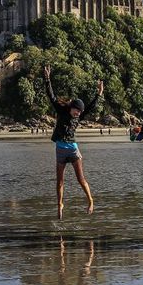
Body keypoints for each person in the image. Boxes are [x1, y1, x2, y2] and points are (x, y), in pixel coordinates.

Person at [43, 65, 102, 219]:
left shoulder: (78, 117)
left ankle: (90, 200)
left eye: (80, 112)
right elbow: (52, 96)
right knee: (60, 181)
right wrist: (47, 79)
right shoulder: (61, 111)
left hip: (73, 149)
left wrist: (99, 94)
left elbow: (90, 108)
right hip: (60, 149)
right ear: (72, 107)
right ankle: (60, 204)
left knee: (80, 178)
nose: (79, 113)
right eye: (77, 110)